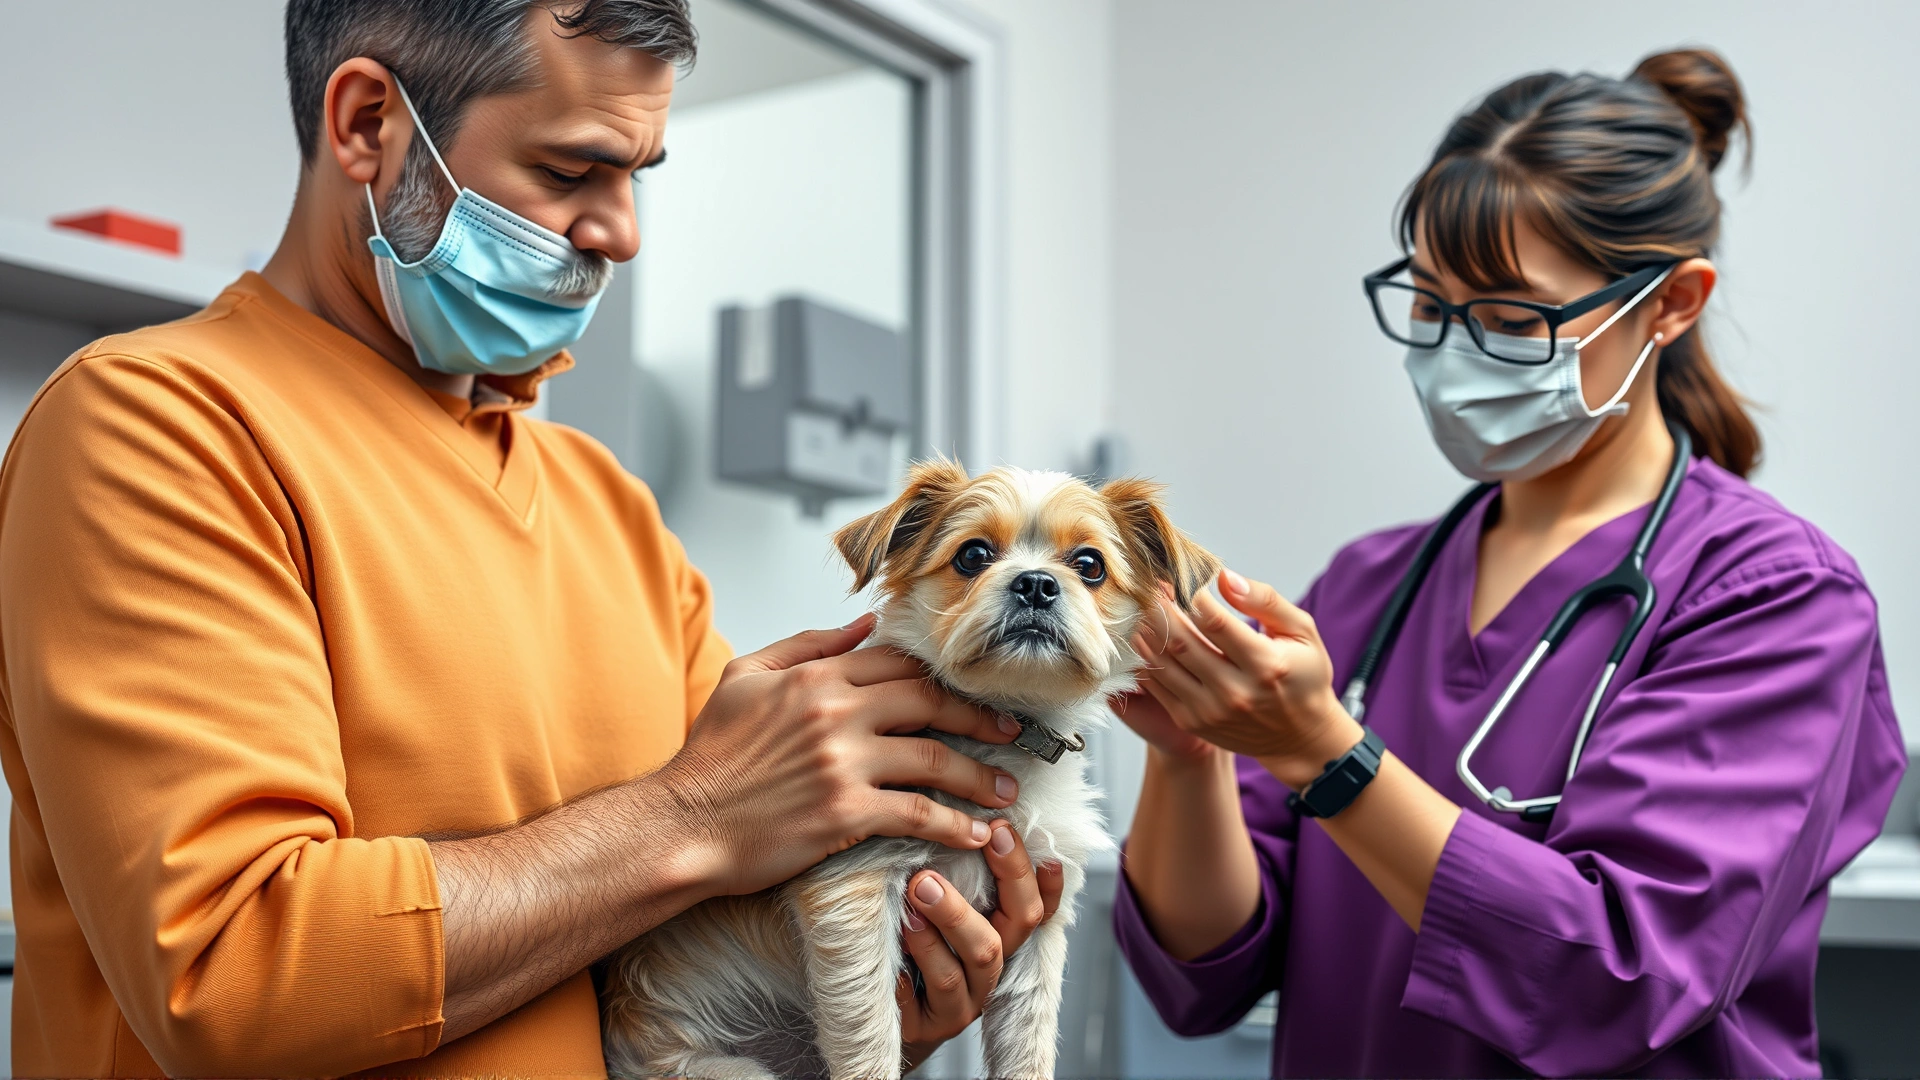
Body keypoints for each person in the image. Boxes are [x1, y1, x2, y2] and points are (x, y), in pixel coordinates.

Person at [0, 2, 1059, 1075]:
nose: (623, 232)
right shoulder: (153, 426)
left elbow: (688, 943)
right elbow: (232, 979)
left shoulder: (607, 505)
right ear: (369, 122)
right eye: (570, 172)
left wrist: (852, 1003)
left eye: (636, 175)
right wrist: (695, 813)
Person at [1114, 48, 1907, 1079]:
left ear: (1669, 305)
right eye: (1432, 305)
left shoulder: (1776, 596)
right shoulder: (1370, 586)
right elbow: (1209, 966)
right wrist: (1190, 758)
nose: (1452, 356)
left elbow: (1621, 976)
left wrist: (1328, 756)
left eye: (1509, 320)